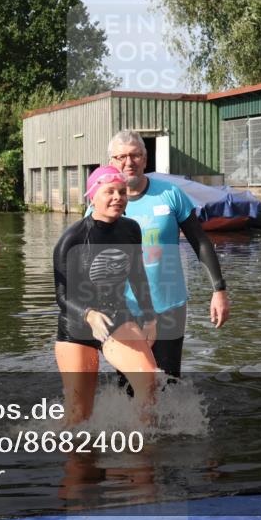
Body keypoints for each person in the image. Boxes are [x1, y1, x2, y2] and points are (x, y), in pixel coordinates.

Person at [103, 130, 229, 378]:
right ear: (111, 162)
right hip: (123, 308)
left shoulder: (170, 194)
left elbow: (200, 241)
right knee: (129, 383)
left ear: (145, 158)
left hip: (168, 306)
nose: (129, 162)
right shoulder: (103, 200)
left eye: (135, 155)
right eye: (121, 157)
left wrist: (219, 290)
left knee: (169, 381)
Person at [54, 165, 158, 425]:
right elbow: (62, 296)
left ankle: (139, 450)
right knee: (80, 414)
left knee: (149, 382)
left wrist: (150, 318)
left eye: (122, 192)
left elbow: (137, 275)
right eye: (109, 191)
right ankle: (78, 458)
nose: (117, 197)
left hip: (116, 316)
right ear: (92, 196)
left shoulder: (131, 229)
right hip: (76, 324)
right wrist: (88, 314)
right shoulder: (73, 238)